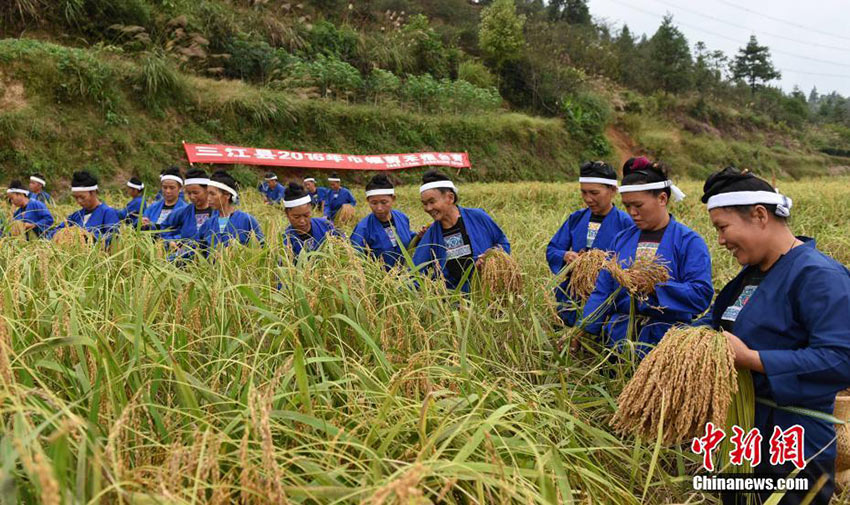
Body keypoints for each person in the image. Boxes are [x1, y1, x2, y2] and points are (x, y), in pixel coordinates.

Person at [697, 167, 850, 505]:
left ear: (760, 216)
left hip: (794, 442)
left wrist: (751, 360)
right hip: (743, 434)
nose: (720, 240)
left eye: (722, 228)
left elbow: (841, 360)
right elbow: (716, 319)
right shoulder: (751, 276)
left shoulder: (819, 276)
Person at [579, 157, 713, 352]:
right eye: (627, 206)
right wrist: (583, 327)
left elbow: (700, 295)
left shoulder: (688, 242)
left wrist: (655, 287)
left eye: (638, 206)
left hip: (666, 343)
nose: (632, 213)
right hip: (619, 339)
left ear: (662, 199)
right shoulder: (621, 239)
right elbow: (603, 290)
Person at [546, 161, 632, 326]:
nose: (588, 199)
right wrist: (565, 255)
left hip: (606, 300)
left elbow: (631, 263)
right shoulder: (576, 218)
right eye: (583, 192)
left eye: (594, 192)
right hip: (572, 296)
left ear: (613, 191)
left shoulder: (626, 223)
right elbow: (552, 249)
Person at [413, 170, 510, 292]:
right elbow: (416, 270)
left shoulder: (478, 217)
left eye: (432, 202)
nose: (428, 208)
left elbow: (503, 243)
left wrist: (491, 256)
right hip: (453, 299)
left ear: (450, 197)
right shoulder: (431, 234)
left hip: (486, 294)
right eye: (424, 204)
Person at [350, 174, 415, 269]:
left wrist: (419, 236)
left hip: (406, 276)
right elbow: (356, 259)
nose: (379, 208)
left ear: (393, 199)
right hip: (380, 279)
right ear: (368, 201)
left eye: (384, 202)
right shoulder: (362, 228)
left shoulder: (402, 218)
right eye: (374, 203)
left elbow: (408, 237)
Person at [197, 171, 264, 250]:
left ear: (227, 195)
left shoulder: (246, 220)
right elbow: (197, 248)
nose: (208, 198)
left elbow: (262, 248)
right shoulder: (209, 224)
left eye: (212, 194)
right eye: (208, 194)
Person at [47, 171, 120, 241]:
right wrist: (62, 235)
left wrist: (86, 236)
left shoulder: (108, 213)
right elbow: (54, 232)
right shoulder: (76, 216)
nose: (79, 201)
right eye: (76, 198)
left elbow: (113, 238)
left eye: (82, 197)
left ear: (93, 193)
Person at [158, 169, 215, 246]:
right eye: (189, 193)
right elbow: (164, 228)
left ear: (207, 190)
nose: (192, 197)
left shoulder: (217, 213)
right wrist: (170, 241)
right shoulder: (183, 212)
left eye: (195, 193)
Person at [282, 182, 340, 258]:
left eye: (306, 215)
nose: (302, 221)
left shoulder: (326, 225)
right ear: (287, 214)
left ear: (311, 209)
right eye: (296, 217)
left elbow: (341, 246)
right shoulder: (286, 240)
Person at [142, 166, 188, 235]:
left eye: (172, 188)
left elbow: (185, 233)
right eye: (165, 187)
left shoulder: (185, 210)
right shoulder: (153, 207)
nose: (168, 191)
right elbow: (141, 220)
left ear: (180, 188)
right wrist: (143, 222)